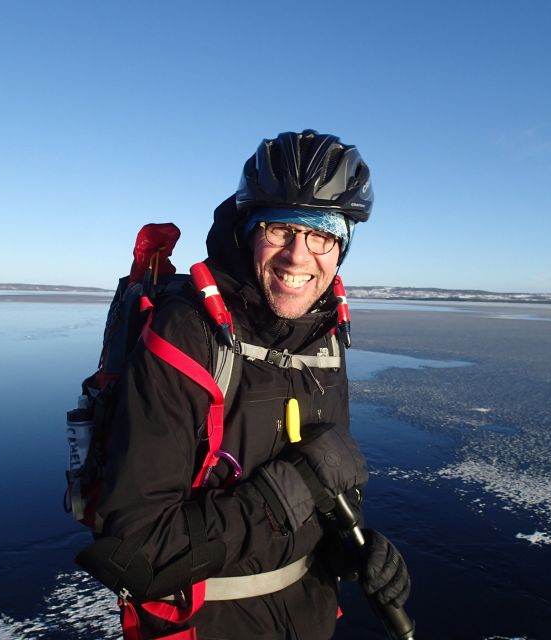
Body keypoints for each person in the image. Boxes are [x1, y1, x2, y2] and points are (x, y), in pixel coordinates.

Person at [80, 130, 411, 639]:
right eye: (279, 229)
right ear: (246, 230)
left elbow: (324, 493)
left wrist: (355, 548)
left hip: (310, 617)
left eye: (321, 232)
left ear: (343, 244)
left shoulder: (325, 338)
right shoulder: (188, 336)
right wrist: (298, 487)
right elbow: (136, 551)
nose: (298, 257)